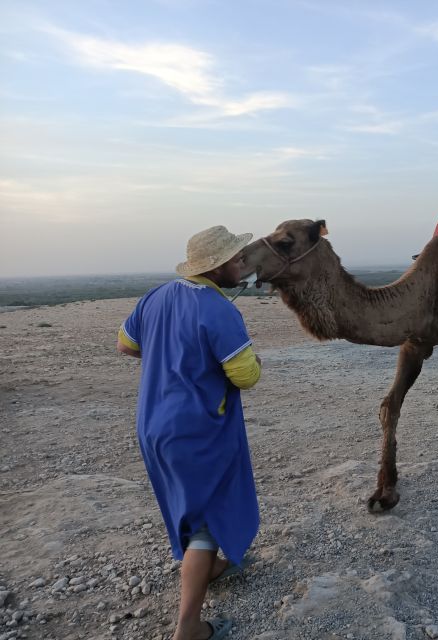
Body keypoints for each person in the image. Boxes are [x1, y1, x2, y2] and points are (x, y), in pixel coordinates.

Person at [117, 225, 262, 640]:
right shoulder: (219, 310)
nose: (242, 262)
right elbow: (245, 375)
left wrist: (168, 351)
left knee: (188, 504)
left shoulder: (157, 296)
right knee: (206, 517)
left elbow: (126, 345)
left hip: (153, 426)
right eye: (236, 258)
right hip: (198, 430)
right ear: (216, 268)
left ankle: (212, 569)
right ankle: (189, 627)